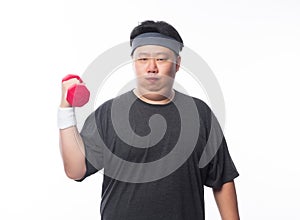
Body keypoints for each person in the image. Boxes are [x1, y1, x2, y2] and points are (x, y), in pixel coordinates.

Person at [58, 20, 240, 220]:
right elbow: (76, 170)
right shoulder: (109, 113)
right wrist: (66, 110)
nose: (151, 67)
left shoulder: (200, 114)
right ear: (133, 62)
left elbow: (222, 180)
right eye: (143, 58)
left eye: (161, 59)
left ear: (177, 64)